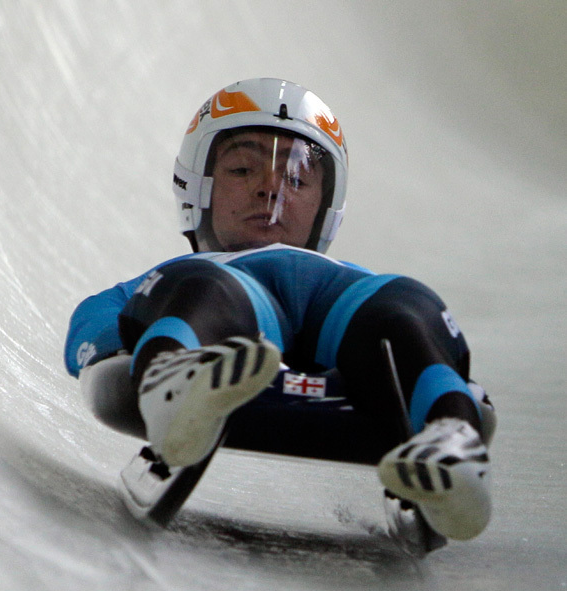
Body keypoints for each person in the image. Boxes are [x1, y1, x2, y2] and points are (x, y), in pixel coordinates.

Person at [64, 78, 496, 545]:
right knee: (204, 289)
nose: (272, 191)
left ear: (323, 206)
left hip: (340, 303)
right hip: (234, 298)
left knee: (404, 305)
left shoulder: (356, 281)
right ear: (197, 187)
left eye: (296, 179)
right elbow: (92, 320)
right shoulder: (186, 275)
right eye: (244, 170)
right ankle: (176, 383)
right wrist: (119, 346)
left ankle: (451, 439)